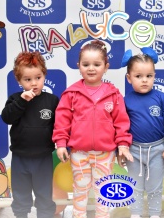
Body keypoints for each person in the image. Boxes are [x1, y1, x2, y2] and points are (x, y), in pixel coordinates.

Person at [52, 39, 133, 218]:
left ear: (106, 67)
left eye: (97, 64)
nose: (91, 68)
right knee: (80, 188)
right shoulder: (71, 93)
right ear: (78, 66)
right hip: (78, 152)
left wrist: (123, 145)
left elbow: (121, 122)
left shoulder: (113, 94)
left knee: (103, 189)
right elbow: (62, 120)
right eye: (86, 64)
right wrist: (60, 143)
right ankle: (78, 215)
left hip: (105, 153)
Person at [1, 51, 59, 218]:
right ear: (19, 81)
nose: (34, 83)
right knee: (20, 195)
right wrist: (21, 101)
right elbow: (7, 117)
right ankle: (20, 215)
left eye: (38, 78)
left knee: (44, 195)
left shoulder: (52, 100)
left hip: (44, 158)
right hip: (20, 158)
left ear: (44, 75)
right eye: (28, 80)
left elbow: (60, 126)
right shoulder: (15, 99)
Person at [121, 47, 164, 218]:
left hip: (158, 149)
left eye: (149, 76)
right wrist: (121, 148)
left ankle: (154, 214)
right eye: (138, 76)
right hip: (133, 151)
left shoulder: (162, 98)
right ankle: (135, 214)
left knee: (155, 185)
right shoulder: (125, 101)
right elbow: (121, 127)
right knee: (135, 185)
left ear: (154, 76)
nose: (144, 80)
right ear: (129, 78)